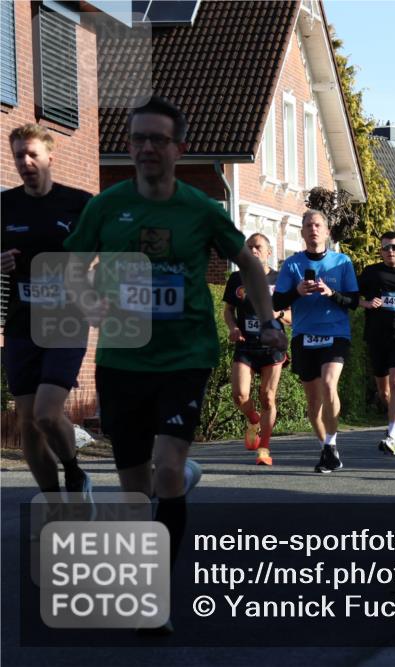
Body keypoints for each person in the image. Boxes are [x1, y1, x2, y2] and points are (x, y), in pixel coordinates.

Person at [63, 97, 286, 635]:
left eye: (156, 140)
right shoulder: (105, 206)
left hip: (186, 355)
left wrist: (266, 317)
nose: (144, 149)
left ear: (178, 149)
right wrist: (87, 300)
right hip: (122, 358)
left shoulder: (200, 209)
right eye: (137, 138)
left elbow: (249, 262)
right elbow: (71, 265)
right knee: (137, 491)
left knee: (163, 470)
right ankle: (175, 483)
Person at [1, 123, 93, 504]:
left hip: (66, 318)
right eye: (18, 154)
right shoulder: (4, 205)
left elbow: (106, 253)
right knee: (28, 423)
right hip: (22, 321)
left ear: (50, 156)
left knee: (45, 412)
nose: (25, 162)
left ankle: (74, 472)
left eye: (32, 154)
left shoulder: (79, 202)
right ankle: (54, 502)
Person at [273, 210, 359, 472]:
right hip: (304, 335)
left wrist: (331, 293)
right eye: (308, 225)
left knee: (330, 385)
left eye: (318, 225)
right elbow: (276, 303)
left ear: (327, 231)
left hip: (335, 333)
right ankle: (328, 448)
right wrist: (296, 292)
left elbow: (353, 302)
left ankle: (331, 443)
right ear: (302, 232)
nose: (313, 229)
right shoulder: (292, 264)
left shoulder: (342, 262)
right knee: (313, 403)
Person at [222, 233, 289, 466]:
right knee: (240, 395)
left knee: (268, 397)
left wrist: (277, 314)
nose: (252, 251)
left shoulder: (280, 279)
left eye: (258, 247)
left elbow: (292, 315)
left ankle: (264, 448)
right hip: (246, 345)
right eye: (248, 247)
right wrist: (232, 327)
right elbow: (228, 310)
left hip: (272, 347)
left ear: (269, 252)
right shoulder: (236, 278)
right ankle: (254, 420)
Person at [357, 231, 395, 456]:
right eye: (385, 248)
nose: (390, 251)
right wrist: (367, 303)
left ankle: (391, 435)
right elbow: (352, 297)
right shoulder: (371, 273)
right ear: (380, 251)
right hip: (376, 336)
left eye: (394, 247)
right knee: (384, 393)